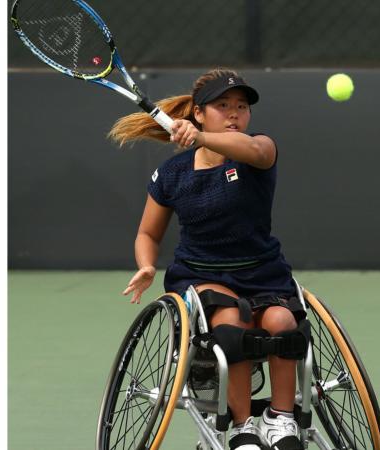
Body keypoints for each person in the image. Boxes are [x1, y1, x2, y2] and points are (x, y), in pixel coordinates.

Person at [111, 68, 304, 450]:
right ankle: (242, 425)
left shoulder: (259, 150)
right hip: (200, 276)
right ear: (199, 112)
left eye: (242, 107)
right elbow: (148, 233)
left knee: (283, 323)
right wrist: (147, 265)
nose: (235, 114)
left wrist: (200, 137)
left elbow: (255, 150)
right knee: (232, 322)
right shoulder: (173, 173)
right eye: (223, 106)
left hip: (262, 272)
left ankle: (281, 420)